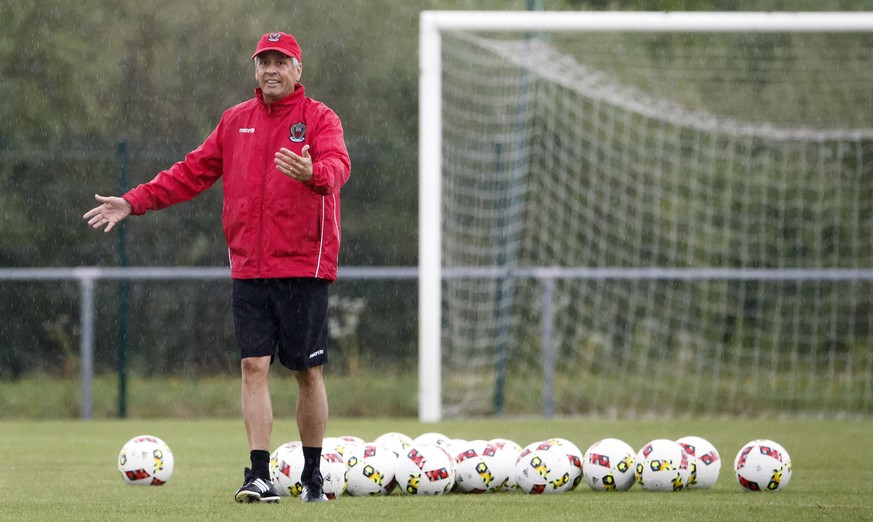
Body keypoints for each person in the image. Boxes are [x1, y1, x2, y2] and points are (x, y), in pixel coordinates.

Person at [83, 31, 351, 504]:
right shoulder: (236, 121)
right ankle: (260, 474)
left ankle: (313, 479)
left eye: (280, 61)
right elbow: (190, 172)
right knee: (252, 365)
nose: (270, 69)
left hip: (303, 265)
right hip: (248, 266)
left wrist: (315, 174)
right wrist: (133, 201)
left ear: (298, 70)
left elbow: (338, 167)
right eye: (263, 61)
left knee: (307, 374)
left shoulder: (319, 118)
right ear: (255, 69)